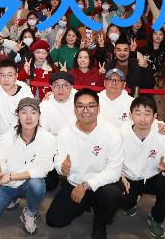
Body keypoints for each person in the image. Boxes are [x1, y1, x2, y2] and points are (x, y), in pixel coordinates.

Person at [46, 88, 124, 239]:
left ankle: (100, 221)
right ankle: (86, 203)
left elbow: (114, 171)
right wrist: (62, 167)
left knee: (111, 195)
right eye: (80, 106)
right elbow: (59, 159)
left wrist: (86, 185)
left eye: (91, 106)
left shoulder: (112, 133)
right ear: (75, 109)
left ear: (98, 109)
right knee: (54, 220)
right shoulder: (65, 132)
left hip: (102, 184)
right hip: (75, 183)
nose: (85, 110)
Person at [0, 98, 55, 235]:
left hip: (27, 183)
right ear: (17, 115)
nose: (29, 117)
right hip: (7, 184)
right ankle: (12, 198)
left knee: (38, 185)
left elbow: (44, 168)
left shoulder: (48, 139)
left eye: (33, 112)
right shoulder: (6, 137)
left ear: (39, 115)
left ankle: (30, 213)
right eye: (24, 112)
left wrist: (12, 176)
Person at [120, 96, 165, 239]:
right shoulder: (121, 134)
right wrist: (120, 175)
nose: (142, 119)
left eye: (147, 114)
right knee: (116, 196)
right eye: (138, 113)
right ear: (130, 115)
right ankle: (131, 201)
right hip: (128, 179)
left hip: (152, 177)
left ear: (155, 116)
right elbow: (111, 160)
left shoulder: (163, 135)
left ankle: (156, 218)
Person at [40, 71, 77, 191]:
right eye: (56, 85)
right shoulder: (45, 105)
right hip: (53, 145)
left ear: (71, 87)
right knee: (49, 184)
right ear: (51, 87)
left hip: (75, 144)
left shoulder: (78, 101)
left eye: (65, 85)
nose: (61, 89)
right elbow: (44, 132)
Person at [0, 59, 35, 134]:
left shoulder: (25, 93)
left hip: (20, 134)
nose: (6, 79)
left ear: (16, 75)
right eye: (3, 75)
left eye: (10, 75)